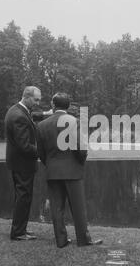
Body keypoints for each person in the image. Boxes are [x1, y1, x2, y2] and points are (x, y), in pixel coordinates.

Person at [37, 92, 103, 248]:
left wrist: (51, 164)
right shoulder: (75, 122)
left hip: (53, 171)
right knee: (78, 208)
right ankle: (83, 240)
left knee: (56, 207)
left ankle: (61, 240)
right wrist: (79, 163)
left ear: (53, 105)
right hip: (73, 170)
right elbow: (82, 148)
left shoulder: (42, 125)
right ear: (68, 106)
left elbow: (40, 152)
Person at [4, 86, 41, 240]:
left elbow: (31, 118)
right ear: (27, 97)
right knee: (23, 197)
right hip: (22, 164)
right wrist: (43, 152)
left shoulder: (17, 110)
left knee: (22, 196)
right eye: (36, 99)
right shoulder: (19, 116)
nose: (38, 103)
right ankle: (18, 232)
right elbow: (24, 146)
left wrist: (46, 114)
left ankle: (21, 229)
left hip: (18, 163)